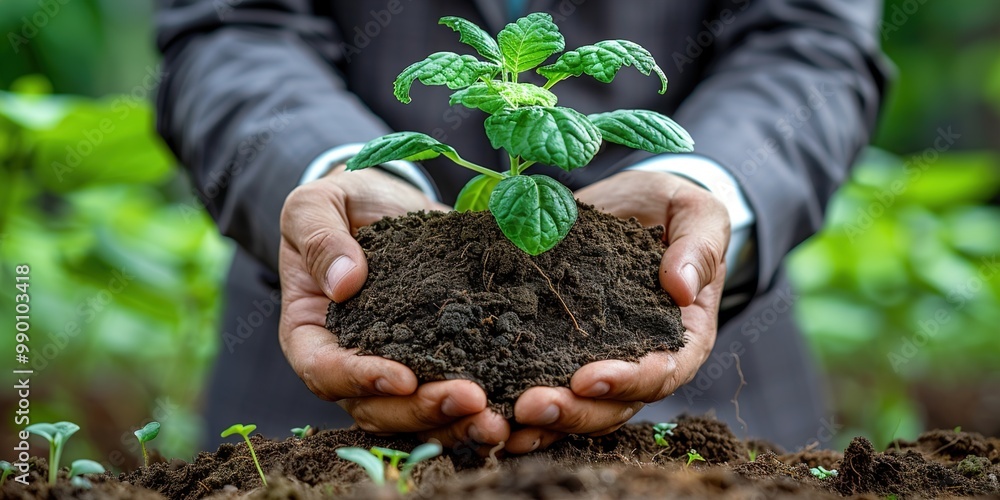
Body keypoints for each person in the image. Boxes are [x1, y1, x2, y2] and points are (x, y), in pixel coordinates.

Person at [155, 0, 888, 452]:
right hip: (325, 421)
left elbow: (811, 40)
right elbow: (231, 29)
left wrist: (708, 189)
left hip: (712, 416)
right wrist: (338, 172)